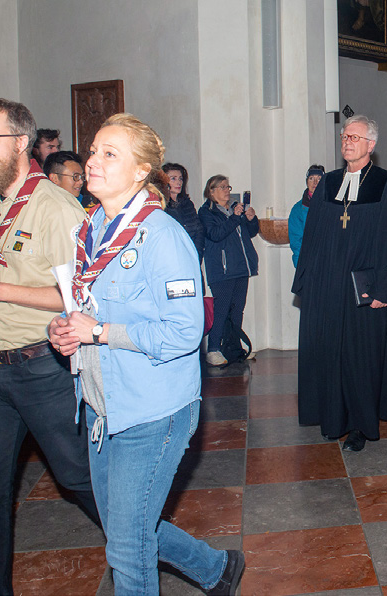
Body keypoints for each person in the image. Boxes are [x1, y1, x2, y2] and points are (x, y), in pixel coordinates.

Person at [47, 113, 244, 595]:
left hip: (152, 410)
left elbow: (184, 331)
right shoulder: (91, 229)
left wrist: (101, 333)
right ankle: (216, 569)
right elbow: (87, 307)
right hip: (103, 406)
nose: (93, 161)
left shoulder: (161, 235)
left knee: (126, 548)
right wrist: (66, 328)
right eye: (93, 151)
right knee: (125, 528)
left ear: (141, 171)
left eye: (109, 154)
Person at [0, 98, 98, 595]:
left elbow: (77, 296)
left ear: (21, 143)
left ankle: (193, 559)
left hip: (42, 367)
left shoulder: (56, 207)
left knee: (80, 480)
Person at [292, 114, 387, 452]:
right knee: (330, 353)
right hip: (328, 289)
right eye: (344, 136)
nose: (347, 142)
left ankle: (361, 425)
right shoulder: (329, 183)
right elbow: (312, 238)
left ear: (371, 144)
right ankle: (334, 419)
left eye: (355, 137)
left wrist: (385, 290)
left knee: (361, 359)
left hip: (365, 290)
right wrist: (308, 283)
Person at [198, 174, 259, 367]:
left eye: (228, 187)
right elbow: (215, 234)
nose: (227, 190)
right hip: (222, 270)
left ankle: (233, 347)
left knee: (237, 310)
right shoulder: (206, 212)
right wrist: (234, 218)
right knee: (221, 310)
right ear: (211, 191)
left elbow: (251, 232)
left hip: (241, 267)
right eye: (223, 187)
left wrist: (251, 219)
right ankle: (213, 348)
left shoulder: (234, 208)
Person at [163, 162, 205, 261]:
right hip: (172, 257)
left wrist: (196, 254)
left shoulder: (187, 204)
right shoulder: (161, 206)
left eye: (180, 179)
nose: (178, 182)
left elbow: (199, 229)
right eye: (173, 178)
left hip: (192, 254)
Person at [288, 164, 324, 267]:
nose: (315, 182)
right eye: (311, 178)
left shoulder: (332, 206)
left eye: (319, 179)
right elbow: (296, 241)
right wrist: (301, 265)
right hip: (308, 262)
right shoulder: (298, 210)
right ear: (307, 182)